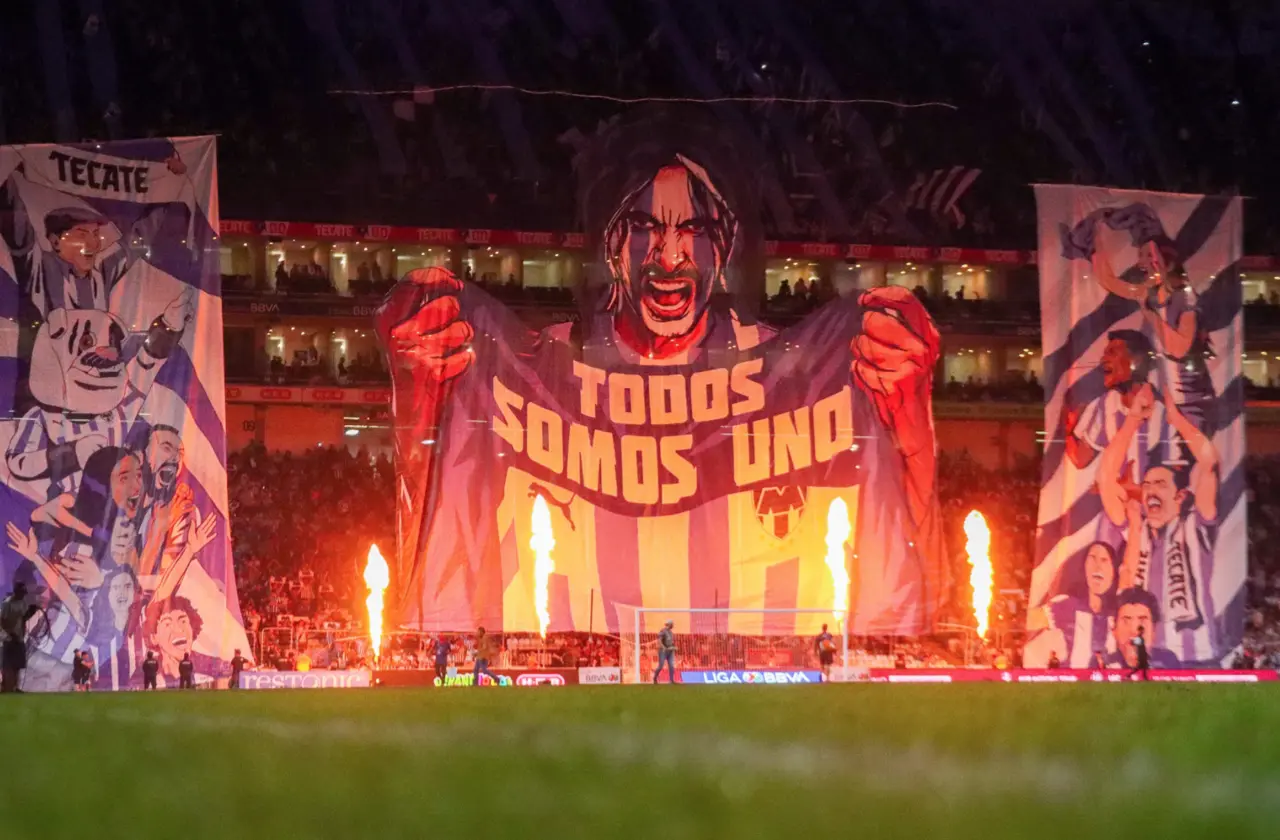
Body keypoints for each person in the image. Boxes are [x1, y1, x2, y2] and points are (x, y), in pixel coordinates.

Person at [0, 582, 38, 693]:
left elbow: (24, 617)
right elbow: (2, 621)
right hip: (8, 638)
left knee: (17, 665)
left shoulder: (22, 602)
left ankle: (14, 687)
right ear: (16, 592)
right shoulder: (8, 604)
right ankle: (7, 687)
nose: (22, 595)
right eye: (21, 593)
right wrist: (10, 633)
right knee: (8, 665)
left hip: (20, 637)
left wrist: (32, 611)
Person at [653, 620, 676, 684]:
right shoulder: (663, 631)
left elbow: (671, 642)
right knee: (661, 666)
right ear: (669, 624)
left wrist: (673, 647)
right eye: (672, 624)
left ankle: (671, 680)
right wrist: (663, 648)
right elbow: (659, 640)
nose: (673, 626)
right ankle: (655, 677)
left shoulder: (671, 633)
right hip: (663, 651)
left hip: (670, 651)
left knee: (671, 665)